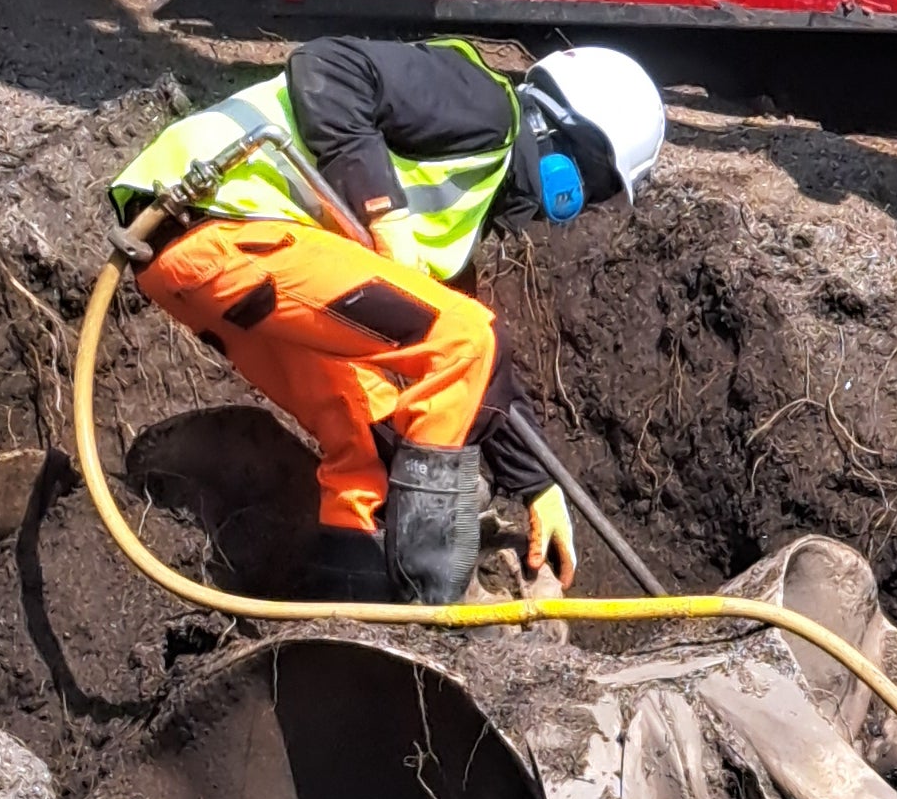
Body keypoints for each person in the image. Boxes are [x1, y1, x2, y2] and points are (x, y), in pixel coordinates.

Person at [108, 37, 662, 598]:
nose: (557, 211)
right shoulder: (484, 106)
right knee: (466, 341)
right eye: (575, 189)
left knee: (370, 440)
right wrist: (384, 212)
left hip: (197, 266)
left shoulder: (461, 212)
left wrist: (537, 485)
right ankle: (430, 606)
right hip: (220, 215)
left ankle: (353, 608)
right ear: (555, 129)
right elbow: (327, 65)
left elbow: (483, 378)